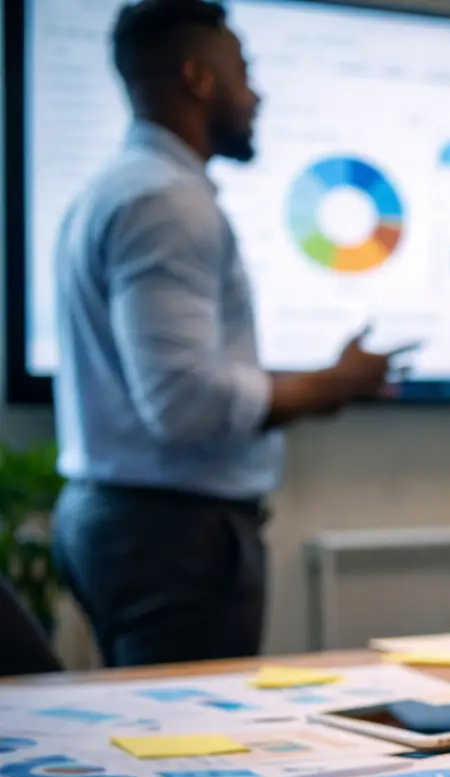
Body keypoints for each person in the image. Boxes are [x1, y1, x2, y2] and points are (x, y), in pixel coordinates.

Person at [50, 0, 414, 667]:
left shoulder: (114, 190)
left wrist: (327, 383)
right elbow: (183, 402)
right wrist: (334, 385)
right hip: (172, 537)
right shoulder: (166, 201)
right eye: (244, 72)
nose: (257, 95)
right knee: (186, 730)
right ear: (199, 79)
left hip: (136, 524)